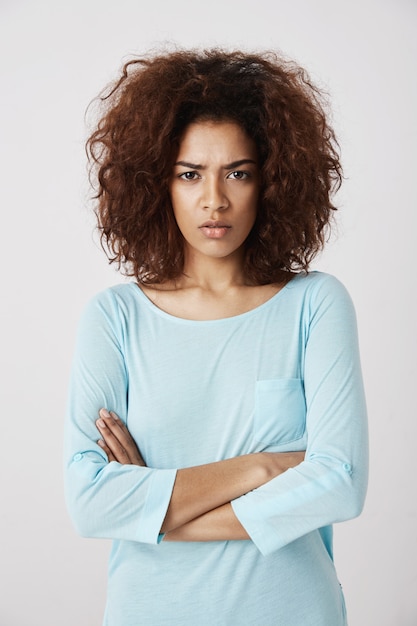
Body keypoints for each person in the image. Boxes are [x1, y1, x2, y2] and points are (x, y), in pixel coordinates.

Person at [64, 48, 368, 625]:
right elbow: (90, 502)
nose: (215, 199)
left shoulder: (315, 305)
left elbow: (339, 484)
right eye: (189, 173)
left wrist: (156, 508)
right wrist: (263, 468)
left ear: (272, 179)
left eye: (238, 172)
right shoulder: (114, 318)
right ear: (157, 183)